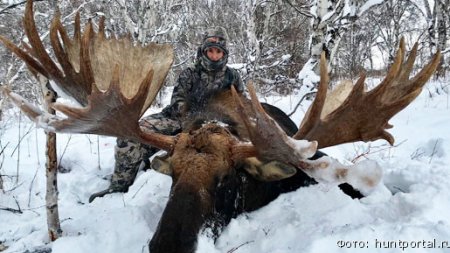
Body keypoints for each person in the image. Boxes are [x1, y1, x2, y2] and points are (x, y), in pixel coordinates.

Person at [89, 27, 244, 202]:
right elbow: (178, 102)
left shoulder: (233, 76)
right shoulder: (190, 73)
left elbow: (239, 106)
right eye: (210, 51)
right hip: (178, 120)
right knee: (130, 134)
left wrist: (224, 122)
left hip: (216, 128)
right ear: (203, 51)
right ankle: (119, 185)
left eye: (218, 52)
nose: (214, 55)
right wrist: (194, 120)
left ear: (224, 54)